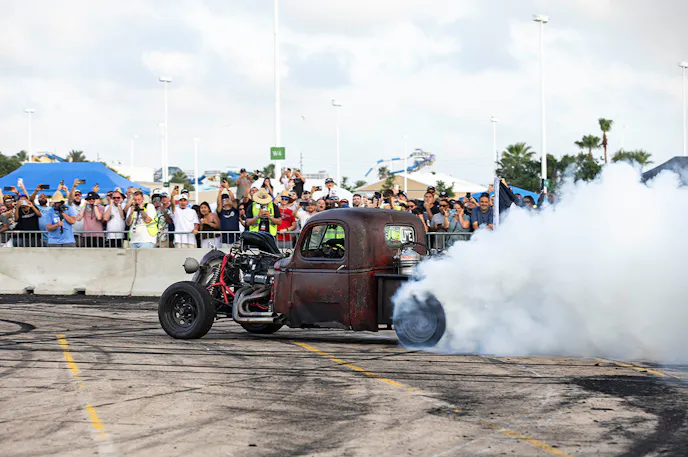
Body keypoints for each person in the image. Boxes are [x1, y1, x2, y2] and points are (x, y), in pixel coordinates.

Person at [68, 180, 85, 246]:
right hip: (73, 234)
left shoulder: (81, 207)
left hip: (81, 235)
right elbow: (70, 198)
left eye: (79, 195)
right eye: (76, 195)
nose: (78, 196)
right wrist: (74, 186)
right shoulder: (70, 205)